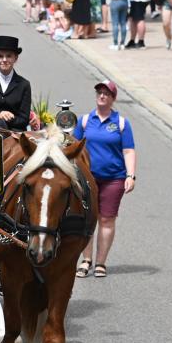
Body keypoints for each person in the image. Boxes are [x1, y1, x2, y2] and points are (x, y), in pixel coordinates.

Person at [73, 80, 136, 279]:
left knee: (107, 219)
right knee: (87, 220)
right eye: (100, 92)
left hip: (113, 178)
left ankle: (101, 262)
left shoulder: (121, 123)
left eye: (107, 94)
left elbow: (128, 150)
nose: (102, 96)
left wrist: (130, 175)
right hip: (88, 178)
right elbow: (74, 147)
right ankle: (86, 259)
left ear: (113, 99)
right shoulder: (85, 120)